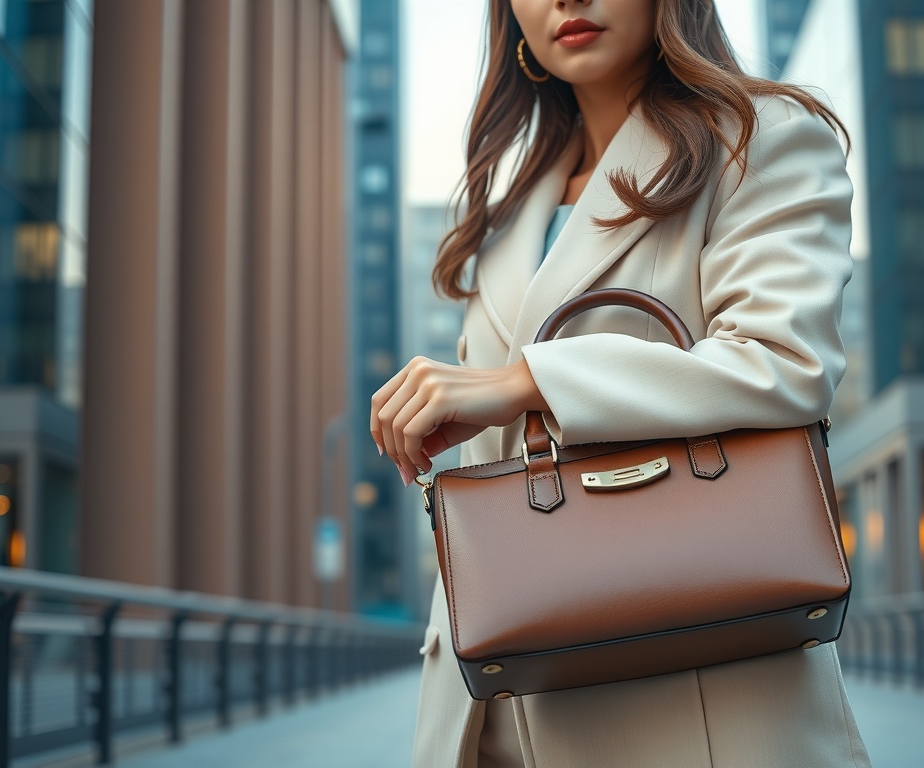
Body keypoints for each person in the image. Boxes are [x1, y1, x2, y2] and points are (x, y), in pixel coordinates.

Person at [370, 0, 872, 765]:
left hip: (689, 703)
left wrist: (523, 383)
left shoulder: (760, 138)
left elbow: (782, 363)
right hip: (496, 703)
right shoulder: (507, 209)